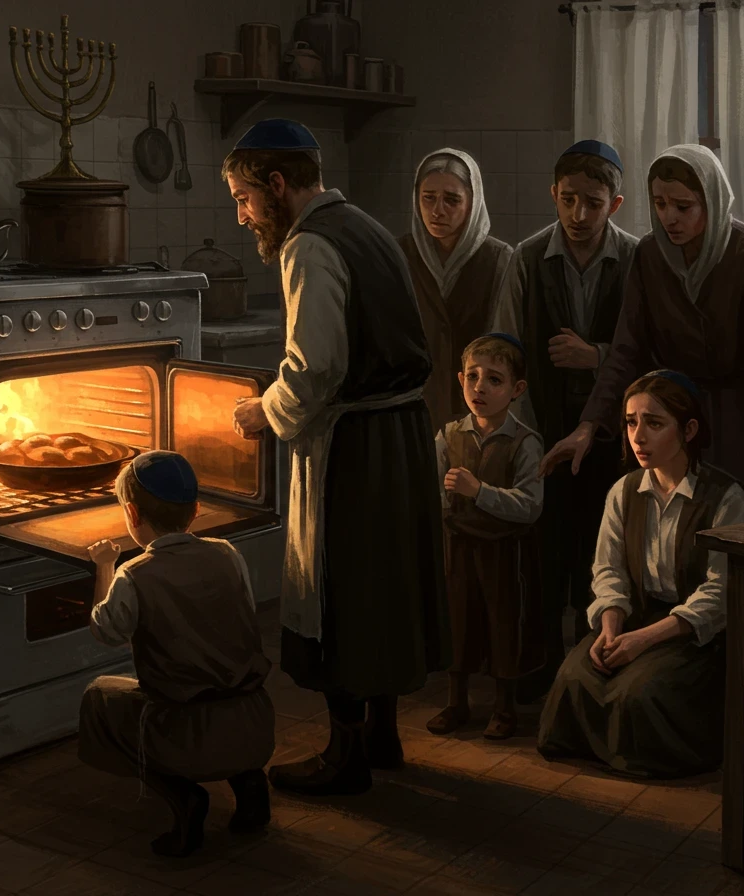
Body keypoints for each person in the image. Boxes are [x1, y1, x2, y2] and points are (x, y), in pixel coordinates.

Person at [223, 119, 450, 796]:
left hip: (356, 443)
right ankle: (382, 736)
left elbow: (316, 367)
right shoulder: (366, 226)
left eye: (243, 198)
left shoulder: (310, 243)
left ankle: (344, 757)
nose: (242, 215)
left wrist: (264, 410)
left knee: (342, 591)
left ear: (278, 184)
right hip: (400, 431)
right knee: (382, 587)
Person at [541, 144, 744, 518]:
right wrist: (588, 426)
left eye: (682, 207)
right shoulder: (650, 255)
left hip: (743, 422)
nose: (669, 217)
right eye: (659, 204)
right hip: (672, 418)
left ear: (712, 202)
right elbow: (627, 348)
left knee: (736, 524)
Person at [537, 370, 744, 778]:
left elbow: (719, 593)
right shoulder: (624, 491)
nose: (638, 436)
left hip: (691, 634)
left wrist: (643, 640)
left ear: (688, 429)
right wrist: (610, 627)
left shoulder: (725, 499)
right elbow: (608, 570)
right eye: (631, 422)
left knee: (639, 692)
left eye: (654, 423)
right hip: (635, 616)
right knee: (576, 675)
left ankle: (646, 758)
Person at [489, 139, 639, 702]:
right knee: (543, 559)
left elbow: (644, 347)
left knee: (603, 557)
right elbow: (505, 347)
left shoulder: (635, 258)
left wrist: (595, 355)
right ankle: (540, 678)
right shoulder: (526, 258)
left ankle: (595, 672)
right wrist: (521, 435)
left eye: (593, 204)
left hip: (615, 439)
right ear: (553, 195)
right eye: (569, 200)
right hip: (543, 431)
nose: (579, 215)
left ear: (615, 204)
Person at [79, 450, 275, 858]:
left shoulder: (134, 574)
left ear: (132, 514)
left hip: (186, 731)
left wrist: (104, 566)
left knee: (99, 696)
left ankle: (181, 794)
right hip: (254, 723)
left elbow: (105, 628)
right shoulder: (227, 553)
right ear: (197, 510)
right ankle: (247, 781)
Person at [430, 333, 544, 740]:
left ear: (516, 390)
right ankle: (456, 701)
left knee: (502, 624)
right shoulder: (449, 435)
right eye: (472, 377)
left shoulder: (524, 443)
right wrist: (444, 508)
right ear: (460, 379)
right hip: (458, 547)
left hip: (502, 550)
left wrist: (479, 492)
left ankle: (503, 707)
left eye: (494, 380)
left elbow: (530, 505)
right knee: (458, 621)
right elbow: (434, 493)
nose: (480, 388)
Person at [399, 148, 514, 433]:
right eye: (428, 198)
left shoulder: (499, 259)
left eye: (451, 200)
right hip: (413, 404)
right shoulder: (398, 255)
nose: (437, 210)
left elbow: (507, 340)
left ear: (472, 203)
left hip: (478, 405)